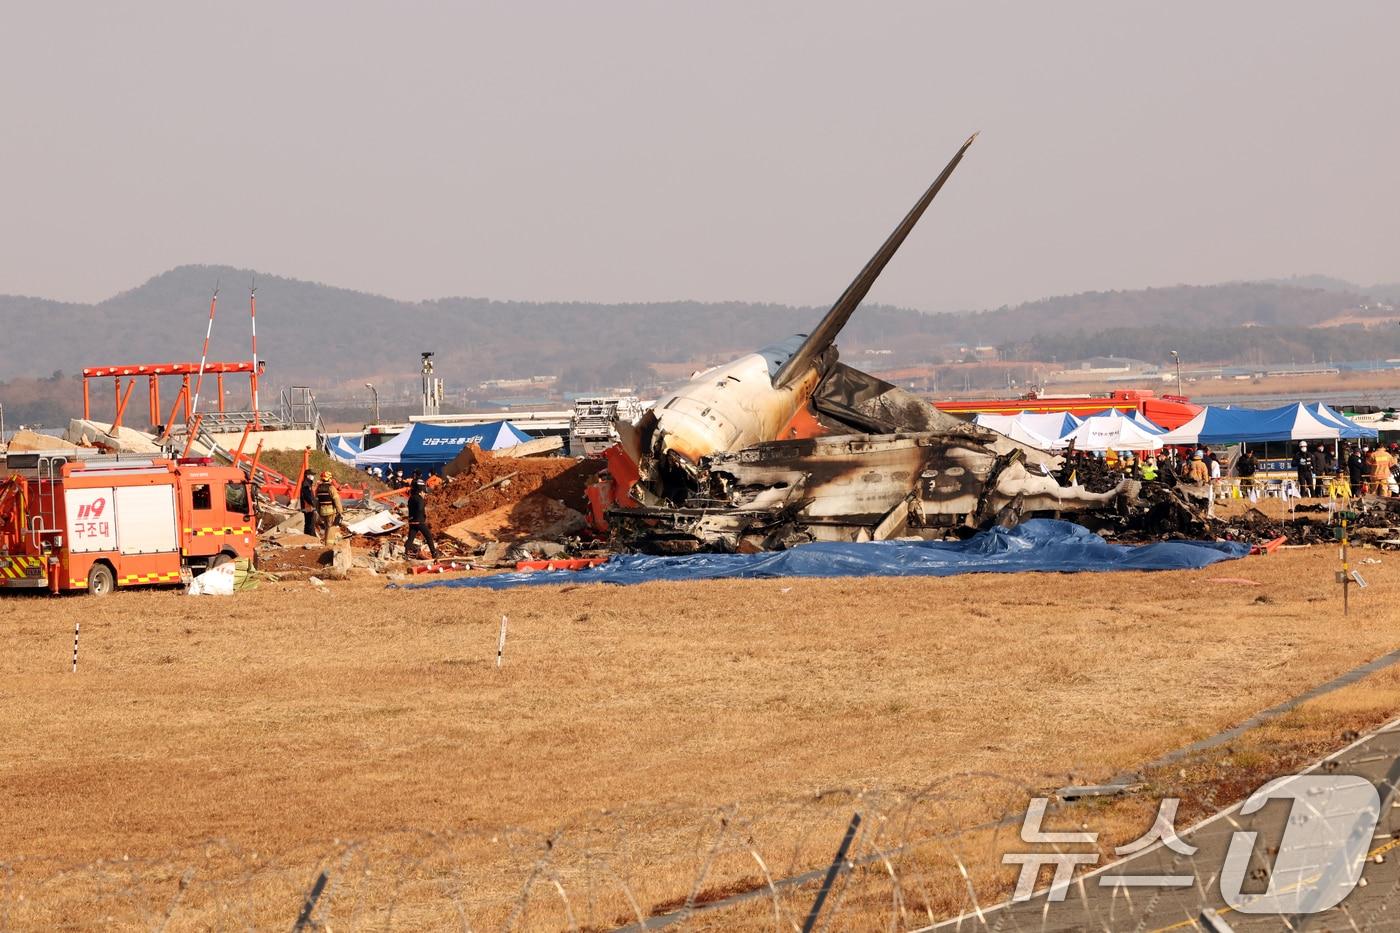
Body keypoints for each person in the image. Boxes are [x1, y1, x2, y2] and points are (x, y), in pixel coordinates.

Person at [404, 472, 439, 559]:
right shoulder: (419, 499)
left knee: (411, 538)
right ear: (421, 491)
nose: (425, 493)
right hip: (419, 521)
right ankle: (434, 553)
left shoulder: (411, 498)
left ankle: (405, 553)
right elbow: (420, 508)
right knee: (428, 536)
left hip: (412, 521)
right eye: (424, 492)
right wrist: (422, 504)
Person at [315, 470, 344, 545]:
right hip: (330, 511)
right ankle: (328, 544)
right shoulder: (331, 488)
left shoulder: (318, 489)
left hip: (322, 511)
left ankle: (325, 542)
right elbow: (336, 500)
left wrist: (319, 512)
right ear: (329, 479)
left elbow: (317, 502)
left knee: (326, 527)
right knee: (330, 528)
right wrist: (340, 511)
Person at [298, 471, 318, 536]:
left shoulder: (307, 484)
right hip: (308, 507)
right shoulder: (306, 485)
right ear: (307, 475)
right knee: (310, 524)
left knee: (308, 523)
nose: (313, 477)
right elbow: (307, 497)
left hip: (308, 507)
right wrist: (314, 503)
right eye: (312, 475)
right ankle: (310, 537)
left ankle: (307, 537)